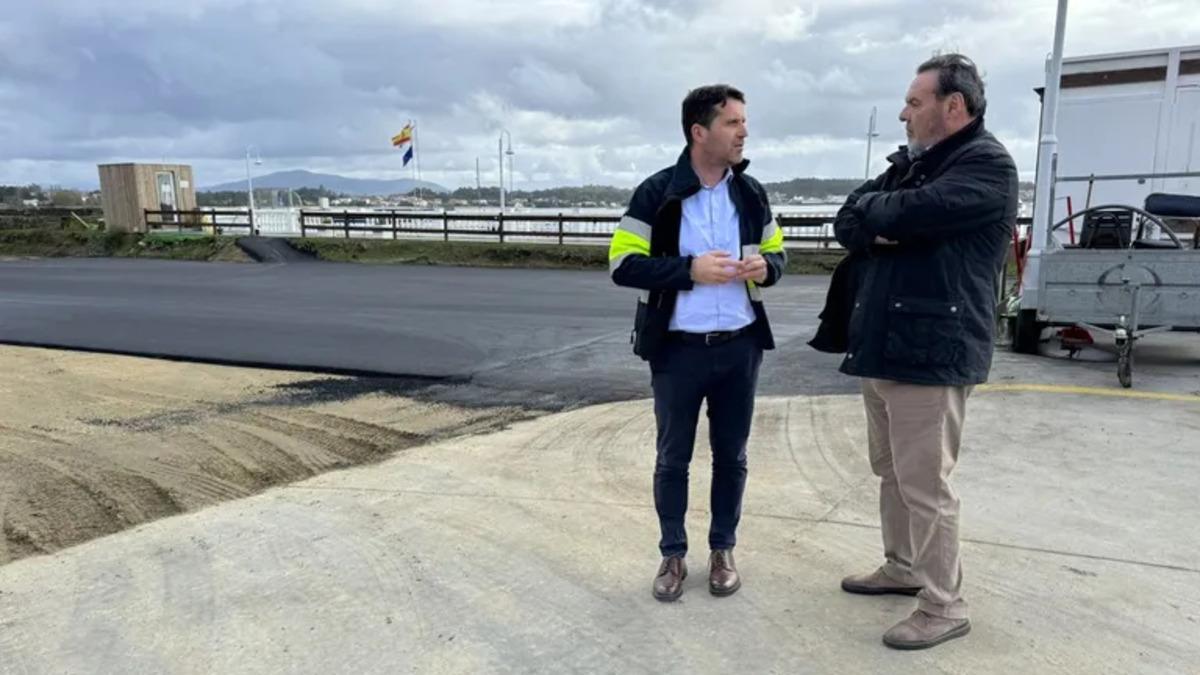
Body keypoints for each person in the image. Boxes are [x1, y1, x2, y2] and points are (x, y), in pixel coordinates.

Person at [828, 54, 1018, 649]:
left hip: (933, 349)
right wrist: (885, 223)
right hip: (885, 342)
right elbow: (849, 218)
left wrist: (887, 221)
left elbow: (906, 213)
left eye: (914, 102)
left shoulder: (986, 165)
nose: (904, 114)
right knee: (891, 472)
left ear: (952, 106)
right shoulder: (912, 164)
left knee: (926, 483)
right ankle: (902, 567)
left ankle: (944, 605)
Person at [608, 84, 786, 602]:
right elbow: (622, 265)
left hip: (740, 347)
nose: (744, 132)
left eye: (744, 122)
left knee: (733, 456)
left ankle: (722, 550)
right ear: (699, 131)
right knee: (672, 459)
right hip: (677, 351)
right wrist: (689, 270)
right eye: (733, 123)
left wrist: (766, 268)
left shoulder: (751, 193)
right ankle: (672, 554)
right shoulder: (657, 191)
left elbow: (778, 253)